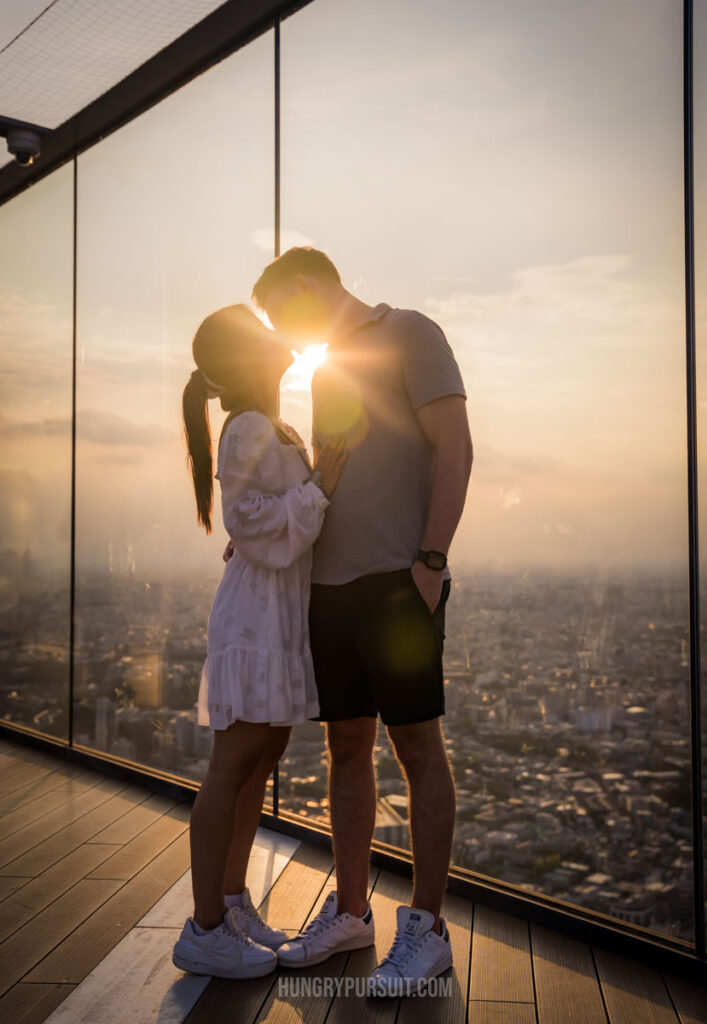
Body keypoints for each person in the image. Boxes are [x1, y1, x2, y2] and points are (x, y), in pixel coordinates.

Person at [243, 247, 473, 996]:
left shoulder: (412, 333)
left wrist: (430, 563)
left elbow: (455, 448)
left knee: (416, 749)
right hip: (331, 589)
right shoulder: (327, 369)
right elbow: (332, 472)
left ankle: (426, 929)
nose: (286, 331)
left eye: (284, 313)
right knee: (346, 748)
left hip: (397, 584)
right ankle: (349, 913)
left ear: (308, 287)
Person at [172, 303, 347, 980]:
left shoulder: (268, 426)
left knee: (257, 757)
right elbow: (249, 525)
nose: (279, 342)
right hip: (256, 616)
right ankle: (204, 928)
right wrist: (322, 484)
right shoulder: (245, 426)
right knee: (235, 760)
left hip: (275, 613)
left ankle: (229, 901)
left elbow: (262, 522)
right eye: (262, 335)